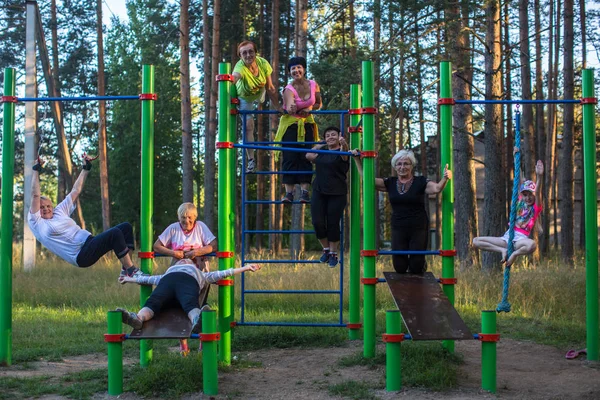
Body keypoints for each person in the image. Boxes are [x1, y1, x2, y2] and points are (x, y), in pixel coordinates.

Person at [28, 156, 142, 279]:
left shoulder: (59, 212)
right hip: (81, 255)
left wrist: (86, 168)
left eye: (48, 206)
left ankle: (126, 270)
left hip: (89, 241)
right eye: (42, 207)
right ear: (36, 210)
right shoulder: (36, 222)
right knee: (115, 233)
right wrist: (35, 170)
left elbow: (75, 191)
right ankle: (132, 270)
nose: (46, 209)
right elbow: (35, 195)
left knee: (125, 228)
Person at [353, 149, 451, 274]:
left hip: (418, 226)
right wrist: (357, 160)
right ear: (395, 166)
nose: (402, 167)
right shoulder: (391, 182)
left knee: (416, 266)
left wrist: (445, 178)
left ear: (411, 166)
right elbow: (367, 180)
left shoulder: (420, 181)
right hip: (398, 226)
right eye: (399, 164)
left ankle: (421, 266)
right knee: (399, 266)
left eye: (406, 164)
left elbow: (437, 188)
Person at [117, 261, 262, 334]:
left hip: (178, 281)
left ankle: (196, 321)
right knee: (182, 304)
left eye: (186, 260)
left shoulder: (200, 272)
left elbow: (223, 273)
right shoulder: (190, 272)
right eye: (182, 260)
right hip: (176, 281)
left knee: (157, 302)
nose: (184, 261)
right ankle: (138, 319)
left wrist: (246, 267)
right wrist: (128, 279)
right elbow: (147, 279)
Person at [150, 202, 217, 355]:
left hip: (198, 274)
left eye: (189, 218)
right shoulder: (173, 228)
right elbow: (157, 246)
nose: (186, 221)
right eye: (182, 218)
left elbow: (213, 245)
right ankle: (183, 345)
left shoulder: (200, 227)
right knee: (180, 305)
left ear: (195, 218)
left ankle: (202, 341)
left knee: (199, 305)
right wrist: (173, 253)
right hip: (177, 272)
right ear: (178, 218)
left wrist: (198, 252)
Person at [473, 149, 544, 267]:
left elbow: (537, 191)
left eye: (530, 194)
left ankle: (514, 254)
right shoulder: (520, 201)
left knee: (532, 245)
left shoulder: (535, 208)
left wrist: (539, 176)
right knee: (476, 241)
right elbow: (519, 177)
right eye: (525, 195)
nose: (528, 198)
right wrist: (516, 157)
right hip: (506, 238)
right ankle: (502, 251)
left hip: (520, 241)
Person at [274, 56, 322, 204]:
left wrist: (310, 108)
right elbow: (288, 106)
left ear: (304, 69)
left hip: (307, 124)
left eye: (299, 67)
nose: (296, 70)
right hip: (291, 125)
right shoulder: (288, 88)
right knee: (290, 156)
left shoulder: (314, 85)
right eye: (293, 68)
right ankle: (289, 193)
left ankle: (304, 192)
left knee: (306, 155)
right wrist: (292, 108)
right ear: (290, 72)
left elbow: (318, 104)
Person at [233, 40, 281, 173]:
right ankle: (251, 161)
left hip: (260, 92)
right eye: (244, 53)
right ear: (240, 56)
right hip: (245, 98)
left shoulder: (262, 63)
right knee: (249, 126)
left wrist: (278, 107)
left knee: (271, 92)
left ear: (255, 52)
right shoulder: (240, 67)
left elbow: (270, 87)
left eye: (250, 51)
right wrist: (228, 80)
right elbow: (235, 76)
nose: (248, 55)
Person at [306, 127, 349, 268]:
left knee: (332, 223)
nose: (331, 137)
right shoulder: (321, 152)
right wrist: (321, 144)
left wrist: (344, 144)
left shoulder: (342, 151)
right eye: (328, 135)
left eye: (334, 135)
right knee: (317, 222)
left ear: (339, 137)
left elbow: (345, 156)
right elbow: (308, 155)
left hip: (337, 193)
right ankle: (325, 249)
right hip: (319, 191)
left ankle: (333, 253)